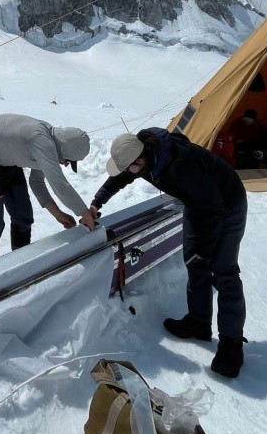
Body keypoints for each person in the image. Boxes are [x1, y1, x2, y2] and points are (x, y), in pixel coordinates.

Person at [89, 128, 248, 378]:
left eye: (132, 167)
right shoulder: (141, 157)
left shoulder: (181, 166)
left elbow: (212, 208)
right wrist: (97, 201)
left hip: (227, 204)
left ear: (141, 159)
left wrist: (204, 250)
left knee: (223, 271)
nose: (130, 171)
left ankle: (231, 345)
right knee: (194, 263)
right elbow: (121, 177)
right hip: (199, 203)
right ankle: (198, 322)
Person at [0, 113, 97, 264]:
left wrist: (58, 214)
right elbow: (60, 185)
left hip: (7, 159)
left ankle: (21, 263)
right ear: (64, 149)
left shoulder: (51, 142)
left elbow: (37, 182)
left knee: (23, 217)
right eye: (68, 161)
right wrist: (83, 212)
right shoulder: (42, 142)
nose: (65, 164)